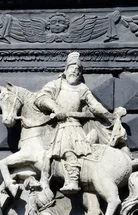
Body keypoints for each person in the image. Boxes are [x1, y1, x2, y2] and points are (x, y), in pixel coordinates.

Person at [34, 52, 115, 193]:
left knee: (68, 150)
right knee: (45, 155)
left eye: (77, 70)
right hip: (55, 126)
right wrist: (55, 108)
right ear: (65, 71)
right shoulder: (56, 84)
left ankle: (73, 179)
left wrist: (110, 116)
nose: (74, 71)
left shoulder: (82, 88)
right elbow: (41, 97)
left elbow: (94, 105)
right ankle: (43, 182)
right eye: (71, 68)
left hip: (72, 126)